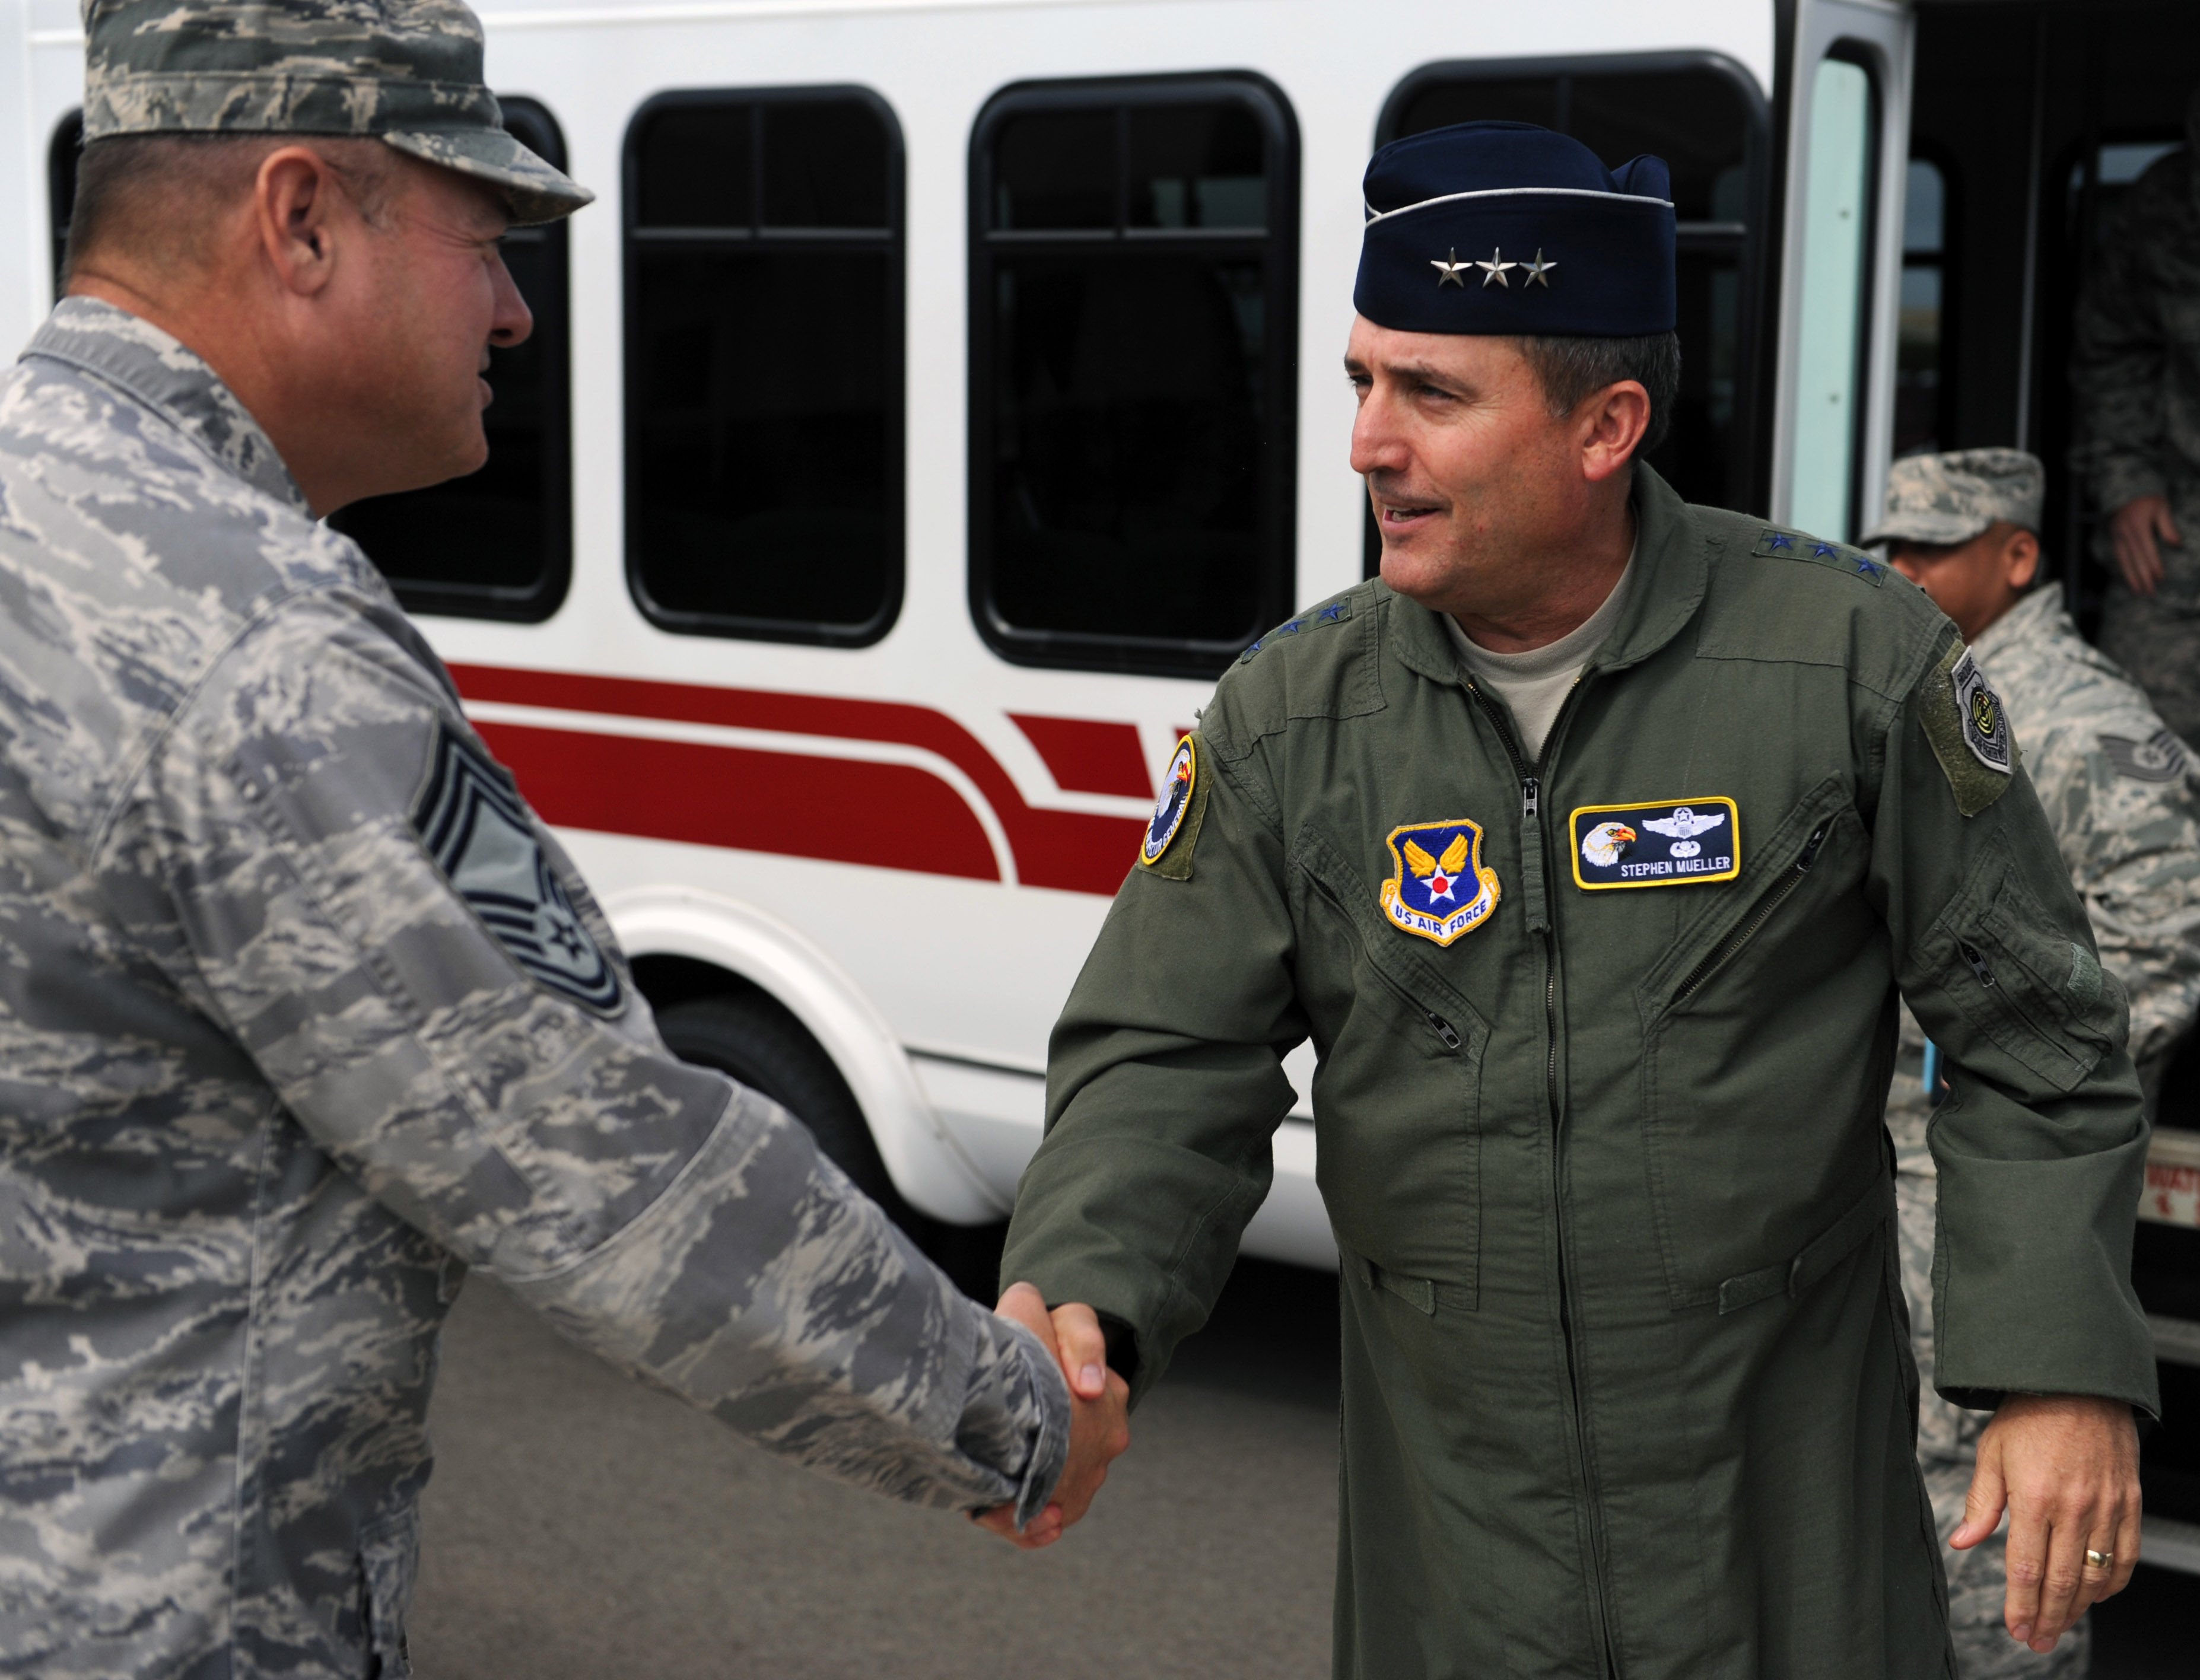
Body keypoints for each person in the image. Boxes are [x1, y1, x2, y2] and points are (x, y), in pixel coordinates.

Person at [0, 2, 1124, 1674]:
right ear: (299, 220)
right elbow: (605, 1157)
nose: (517, 311)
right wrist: (1012, 1412)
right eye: (485, 238)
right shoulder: (255, 643)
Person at [999, 120, 2158, 1679]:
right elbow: (1161, 1058)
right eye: (1360, 382)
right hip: (1459, 1557)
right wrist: (1083, 1304)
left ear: (1607, 426)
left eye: (1431, 394)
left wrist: (2057, 1371)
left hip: (1786, 1546)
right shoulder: (1292, 720)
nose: (1366, 444)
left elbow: (2035, 1035)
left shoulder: (1848, 664)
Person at [1867, 448, 2200, 1678]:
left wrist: (2007, 1076)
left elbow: (2163, 946)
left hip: (1997, 1176)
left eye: (1930, 546)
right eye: (1892, 546)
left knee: (1987, 1491)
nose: (1901, 568)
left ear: (2016, 556)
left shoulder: (2082, 716)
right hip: (1909, 1162)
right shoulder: (1936, 687)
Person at [2069, 88, 2200, 746]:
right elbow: (2112, 346)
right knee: (2134, 747)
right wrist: (2127, 481)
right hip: (2181, 525)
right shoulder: (2168, 204)